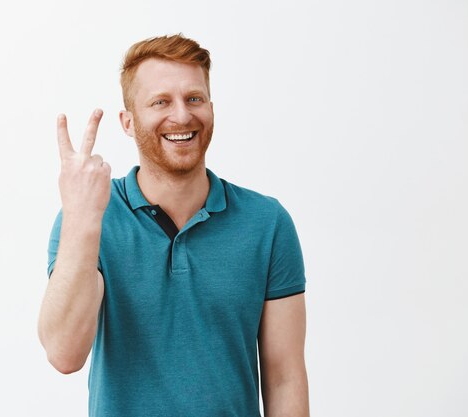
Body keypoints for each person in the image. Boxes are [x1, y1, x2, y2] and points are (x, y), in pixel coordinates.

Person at [38, 33, 310, 417]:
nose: (181, 116)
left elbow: (284, 377)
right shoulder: (87, 218)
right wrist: (83, 219)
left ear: (211, 108)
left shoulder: (267, 224)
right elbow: (64, 352)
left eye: (194, 99)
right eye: (160, 102)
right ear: (128, 122)